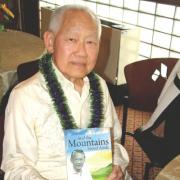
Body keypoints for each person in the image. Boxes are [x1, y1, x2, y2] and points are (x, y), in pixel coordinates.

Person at [1, 4, 131, 180]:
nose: (82, 52)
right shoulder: (25, 96)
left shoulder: (100, 86)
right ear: (50, 42)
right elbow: (16, 167)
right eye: (71, 39)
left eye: (90, 42)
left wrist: (117, 167)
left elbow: (113, 141)